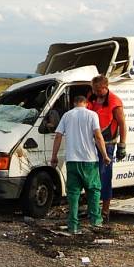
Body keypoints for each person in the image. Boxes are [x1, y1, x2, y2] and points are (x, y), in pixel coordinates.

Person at [50, 95, 111, 234]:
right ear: (86, 103)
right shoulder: (92, 115)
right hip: (90, 160)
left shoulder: (66, 115)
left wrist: (54, 156)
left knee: (73, 193)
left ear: (74, 103)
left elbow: (58, 136)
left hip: (72, 160)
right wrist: (105, 155)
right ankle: (95, 221)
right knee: (94, 190)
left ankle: (73, 225)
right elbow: (98, 136)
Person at [86, 74, 127, 224]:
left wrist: (122, 145)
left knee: (105, 175)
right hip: (92, 142)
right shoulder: (92, 98)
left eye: (98, 90)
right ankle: (94, 207)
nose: (95, 92)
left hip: (108, 143)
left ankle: (105, 210)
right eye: (94, 89)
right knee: (92, 176)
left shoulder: (114, 102)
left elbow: (122, 124)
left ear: (105, 87)